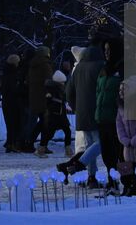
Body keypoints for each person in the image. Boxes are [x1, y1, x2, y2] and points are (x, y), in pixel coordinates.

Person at [58, 42, 102, 183]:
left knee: (90, 145)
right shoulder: (100, 66)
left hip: (82, 114)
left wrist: (77, 108)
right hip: (97, 112)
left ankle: (91, 176)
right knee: (101, 143)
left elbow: (69, 92)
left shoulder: (78, 68)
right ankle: (77, 164)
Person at [94, 39, 124, 185]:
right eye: (105, 49)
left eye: (109, 50)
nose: (106, 53)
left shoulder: (123, 68)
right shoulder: (104, 69)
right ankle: (111, 180)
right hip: (102, 118)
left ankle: (124, 180)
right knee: (107, 153)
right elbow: (98, 91)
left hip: (116, 118)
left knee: (118, 152)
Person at [27, 45, 52, 155]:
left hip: (35, 97)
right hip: (44, 98)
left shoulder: (32, 66)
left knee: (43, 122)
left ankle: (35, 142)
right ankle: (40, 144)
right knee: (45, 122)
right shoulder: (45, 66)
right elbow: (49, 82)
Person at [43, 68, 71, 153]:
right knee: (50, 133)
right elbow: (49, 101)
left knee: (66, 131)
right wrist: (60, 102)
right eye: (62, 82)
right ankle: (42, 147)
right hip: (55, 114)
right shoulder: (52, 90)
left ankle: (68, 148)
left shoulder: (57, 89)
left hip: (59, 114)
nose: (63, 84)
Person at [0, 53, 24, 152]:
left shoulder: (5, 73)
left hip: (6, 102)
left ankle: (9, 143)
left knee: (9, 124)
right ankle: (13, 144)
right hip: (13, 102)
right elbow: (14, 89)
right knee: (15, 124)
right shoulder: (13, 74)